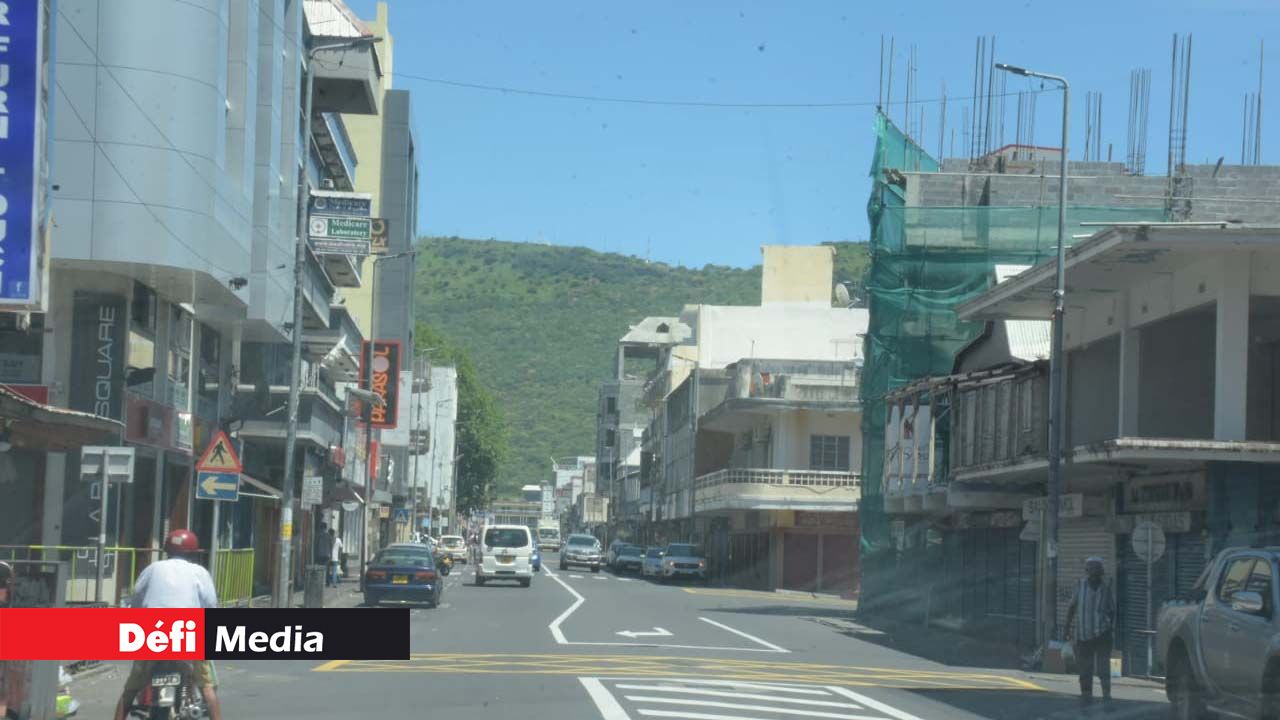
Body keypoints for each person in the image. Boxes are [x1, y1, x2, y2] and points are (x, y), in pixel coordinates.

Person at [113, 529, 222, 720]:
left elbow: (136, 599)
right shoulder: (199, 572)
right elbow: (210, 605)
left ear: (167, 550)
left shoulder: (152, 569)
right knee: (207, 687)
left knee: (130, 690)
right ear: (194, 552)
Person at [1064, 556, 1116, 704]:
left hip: (1102, 634)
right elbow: (1072, 607)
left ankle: (1106, 694)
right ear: (1087, 571)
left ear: (1101, 571)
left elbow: (1112, 610)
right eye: (1091, 569)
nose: (1094, 572)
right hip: (1083, 634)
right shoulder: (1079, 585)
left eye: (1097, 569)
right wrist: (1067, 627)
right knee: (1085, 669)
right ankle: (1086, 694)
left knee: (1103, 668)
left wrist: (1110, 628)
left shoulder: (1106, 587)